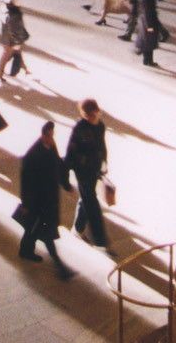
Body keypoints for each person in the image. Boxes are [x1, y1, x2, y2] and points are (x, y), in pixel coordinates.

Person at [15, 121, 76, 279]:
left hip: (48, 199)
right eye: (49, 135)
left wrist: (66, 185)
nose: (51, 138)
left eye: (52, 135)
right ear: (43, 135)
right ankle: (60, 267)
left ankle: (25, 250)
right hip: (39, 201)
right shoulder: (32, 155)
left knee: (33, 228)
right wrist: (26, 203)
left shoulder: (50, 146)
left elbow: (58, 165)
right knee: (47, 233)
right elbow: (26, 181)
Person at [65, 98, 110, 248]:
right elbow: (70, 152)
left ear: (97, 111)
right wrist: (65, 177)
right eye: (87, 115)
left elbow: (102, 146)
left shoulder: (100, 126)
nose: (90, 118)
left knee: (86, 197)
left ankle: (77, 229)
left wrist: (104, 162)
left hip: (95, 168)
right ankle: (101, 241)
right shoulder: (79, 128)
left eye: (92, 114)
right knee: (91, 201)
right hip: (82, 171)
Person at [0, 0, 31, 79]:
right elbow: (12, 29)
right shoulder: (13, 13)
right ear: (11, 0)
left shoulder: (10, 10)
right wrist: (16, 42)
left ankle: (25, 69)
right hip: (11, 40)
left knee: (17, 53)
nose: (19, 1)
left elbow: (17, 26)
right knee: (6, 56)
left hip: (10, 38)